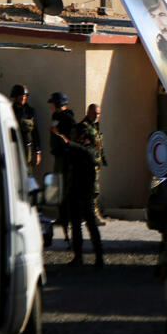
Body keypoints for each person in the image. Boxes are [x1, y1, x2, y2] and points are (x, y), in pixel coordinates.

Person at [67, 119, 104, 269]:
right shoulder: (76, 150)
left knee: (91, 226)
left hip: (85, 192)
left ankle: (99, 258)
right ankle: (78, 257)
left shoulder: (88, 149)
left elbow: (87, 153)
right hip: (75, 191)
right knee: (76, 226)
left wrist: (69, 143)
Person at [48, 92, 76, 246]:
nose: (51, 105)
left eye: (53, 103)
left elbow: (71, 137)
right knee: (58, 189)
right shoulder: (56, 116)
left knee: (64, 190)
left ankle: (67, 220)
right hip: (58, 157)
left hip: (65, 158)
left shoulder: (68, 118)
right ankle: (62, 217)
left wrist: (58, 134)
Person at [76, 104, 108, 225]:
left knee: (93, 191)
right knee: (87, 191)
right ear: (88, 112)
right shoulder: (83, 127)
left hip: (94, 165)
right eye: (95, 113)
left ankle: (91, 215)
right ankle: (89, 216)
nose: (97, 116)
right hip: (85, 166)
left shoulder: (94, 127)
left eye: (99, 113)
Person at [10, 84, 42, 171]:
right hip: (12, 148)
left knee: (27, 173)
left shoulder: (30, 112)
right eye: (21, 96)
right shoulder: (8, 111)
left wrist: (37, 152)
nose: (23, 98)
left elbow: (35, 132)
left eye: (25, 96)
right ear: (15, 97)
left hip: (27, 149)